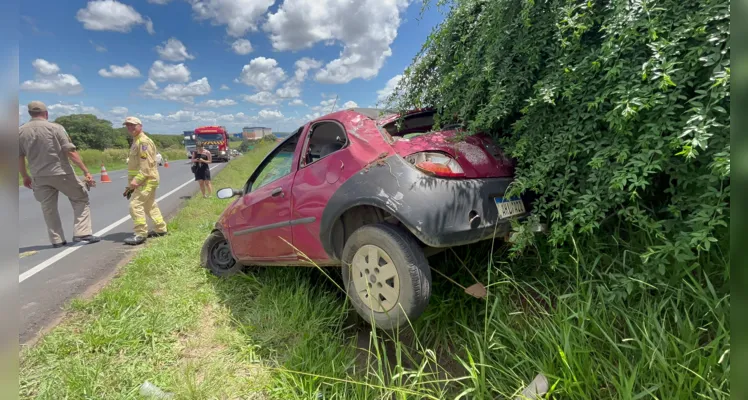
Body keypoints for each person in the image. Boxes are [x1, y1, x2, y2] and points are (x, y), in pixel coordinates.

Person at [18, 101, 101, 248]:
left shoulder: (21, 131)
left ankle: (57, 240)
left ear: (30, 114)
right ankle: (82, 233)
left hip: (39, 175)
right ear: (46, 113)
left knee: (48, 208)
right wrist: (85, 170)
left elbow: (19, 157)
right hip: (60, 172)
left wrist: (25, 176)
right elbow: (70, 151)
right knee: (80, 198)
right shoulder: (56, 128)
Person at [123, 116, 167, 245]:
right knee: (149, 205)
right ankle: (160, 229)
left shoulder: (143, 142)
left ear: (140, 126)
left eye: (133, 125)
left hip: (145, 180)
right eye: (127, 125)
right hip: (146, 179)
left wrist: (136, 181)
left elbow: (145, 166)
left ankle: (140, 233)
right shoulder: (136, 140)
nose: (130, 128)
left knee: (135, 205)